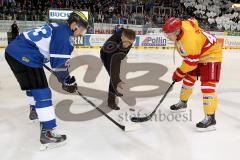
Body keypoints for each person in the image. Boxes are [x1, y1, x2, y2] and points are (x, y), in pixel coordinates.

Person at [5, 11, 89, 150]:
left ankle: (34, 111)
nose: (81, 33)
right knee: (42, 92)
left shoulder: (59, 27)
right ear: (74, 24)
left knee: (33, 85)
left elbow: (51, 58)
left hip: (14, 51)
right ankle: (47, 133)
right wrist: (67, 81)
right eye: (82, 29)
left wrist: (64, 78)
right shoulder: (64, 37)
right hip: (25, 55)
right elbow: (59, 66)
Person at [162, 17, 222, 131]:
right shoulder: (182, 25)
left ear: (176, 31)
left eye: (168, 34)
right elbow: (192, 20)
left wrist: (178, 73)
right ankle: (183, 103)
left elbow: (191, 63)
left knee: (207, 86)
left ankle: (210, 118)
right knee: (189, 79)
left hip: (212, 54)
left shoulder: (189, 42)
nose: (167, 37)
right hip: (198, 52)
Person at [100, 28, 136, 110]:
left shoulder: (128, 39)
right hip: (106, 55)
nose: (127, 45)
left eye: (130, 43)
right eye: (125, 42)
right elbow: (113, 71)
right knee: (113, 75)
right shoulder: (112, 45)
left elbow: (124, 53)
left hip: (117, 55)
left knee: (117, 74)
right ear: (122, 37)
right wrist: (116, 80)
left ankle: (115, 89)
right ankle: (111, 101)